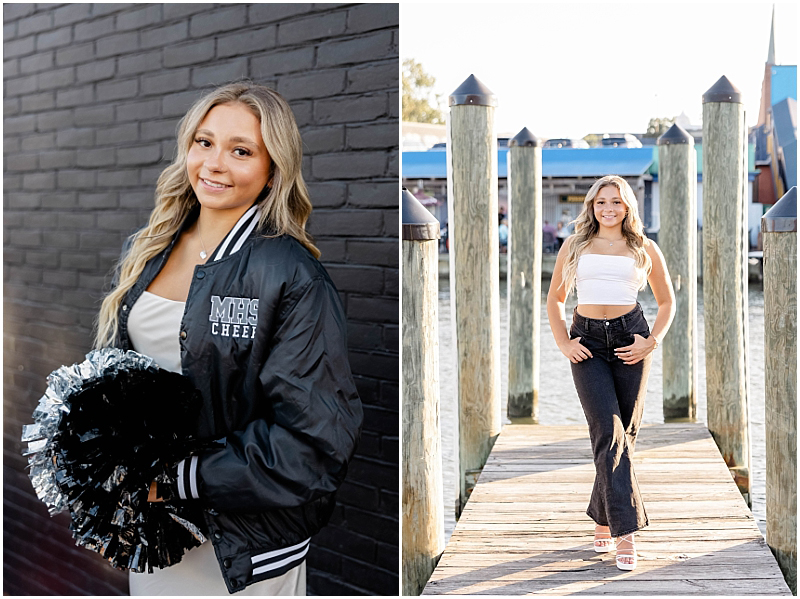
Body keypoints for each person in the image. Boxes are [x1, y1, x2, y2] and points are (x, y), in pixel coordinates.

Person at [94, 82, 363, 595]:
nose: (215, 164)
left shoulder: (290, 274)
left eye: (241, 151)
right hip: (155, 535)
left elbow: (315, 444)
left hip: (241, 551)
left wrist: (174, 479)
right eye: (204, 142)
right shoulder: (147, 248)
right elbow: (117, 378)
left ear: (272, 169)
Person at [546, 175, 675, 571]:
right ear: (592, 206)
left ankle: (602, 515)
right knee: (608, 429)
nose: (608, 208)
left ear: (627, 207)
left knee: (623, 436)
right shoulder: (575, 245)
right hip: (587, 341)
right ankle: (626, 531)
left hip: (630, 339)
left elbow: (667, 300)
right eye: (601, 201)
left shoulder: (643, 247)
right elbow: (555, 298)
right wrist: (564, 342)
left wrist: (651, 340)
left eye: (616, 202)